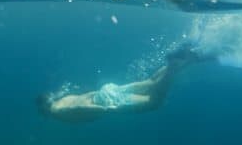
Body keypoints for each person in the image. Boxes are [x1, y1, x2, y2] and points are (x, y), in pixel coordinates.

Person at [37, 46, 205, 122]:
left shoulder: (58, 111)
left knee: (153, 102)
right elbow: (82, 97)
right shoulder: (61, 100)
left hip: (106, 102)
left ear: (44, 108)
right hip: (104, 92)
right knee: (149, 82)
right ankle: (185, 60)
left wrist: (104, 109)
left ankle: (173, 66)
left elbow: (78, 108)